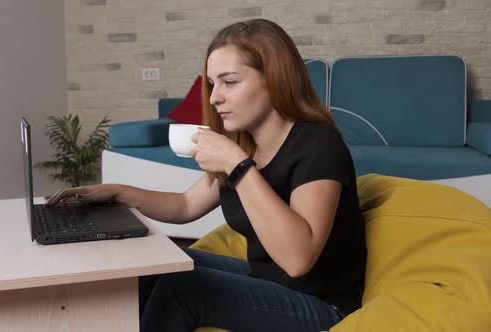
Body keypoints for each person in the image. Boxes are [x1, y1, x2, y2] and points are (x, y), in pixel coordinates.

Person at [45, 18, 366, 332]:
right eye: (213, 84)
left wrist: (238, 167)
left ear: (275, 79)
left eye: (230, 82)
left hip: (323, 306)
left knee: (183, 287)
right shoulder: (247, 145)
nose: (214, 98)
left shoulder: (318, 146)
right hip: (267, 280)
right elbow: (186, 205)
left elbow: (298, 259)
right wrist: (117, 191)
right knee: (157, 263)